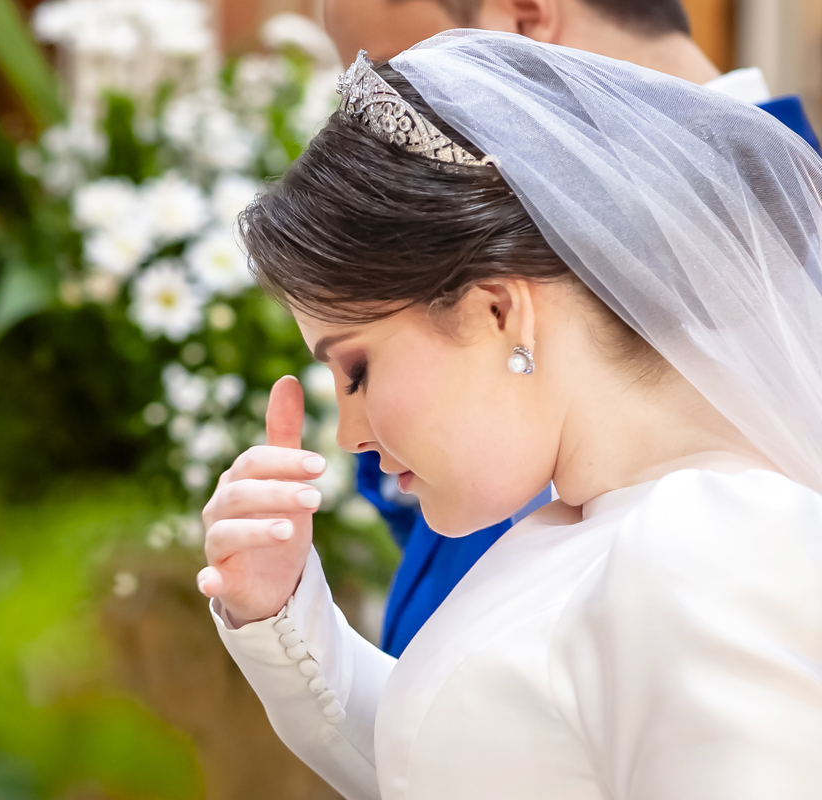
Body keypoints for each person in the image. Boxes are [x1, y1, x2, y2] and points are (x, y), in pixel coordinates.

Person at [199, 32, 822, 800]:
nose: (350, 436)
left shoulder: (704, 546)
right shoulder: (591, 525)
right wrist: (282, 612)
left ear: (497, 311)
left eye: (356, 369)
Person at [322, 0, 821, 658]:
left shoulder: (783, 252)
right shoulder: (523, 242)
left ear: (525, 18)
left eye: (403, 84)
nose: (379, 151)